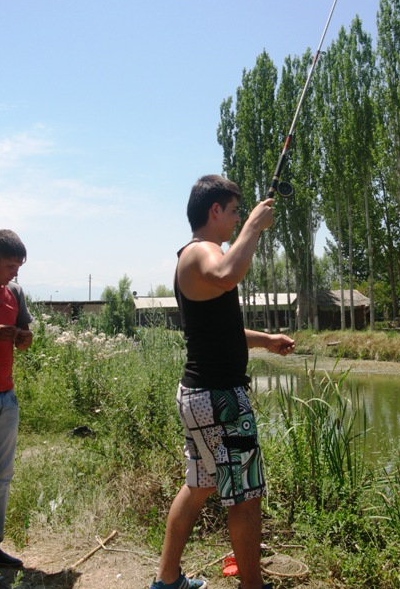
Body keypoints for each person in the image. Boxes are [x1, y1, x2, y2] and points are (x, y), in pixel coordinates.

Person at [150, 175, 295, 589]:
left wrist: (265, 340)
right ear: (214, 210)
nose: (235, 219)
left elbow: (217, 332)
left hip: (200, 394)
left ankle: (167, 580)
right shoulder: (201, 252)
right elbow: (230, 273)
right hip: (219, 398)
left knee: (199, 486)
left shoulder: (197, 256)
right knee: (246, 496)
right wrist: (253, 226)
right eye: (233, 211)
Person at [0, 230, 33, 568]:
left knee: (1, 476)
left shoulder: (14, 293)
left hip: (5, 396)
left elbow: (24, 338)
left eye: (19, 267)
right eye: (10, 266)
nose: (15, 273)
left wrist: (23, 339)